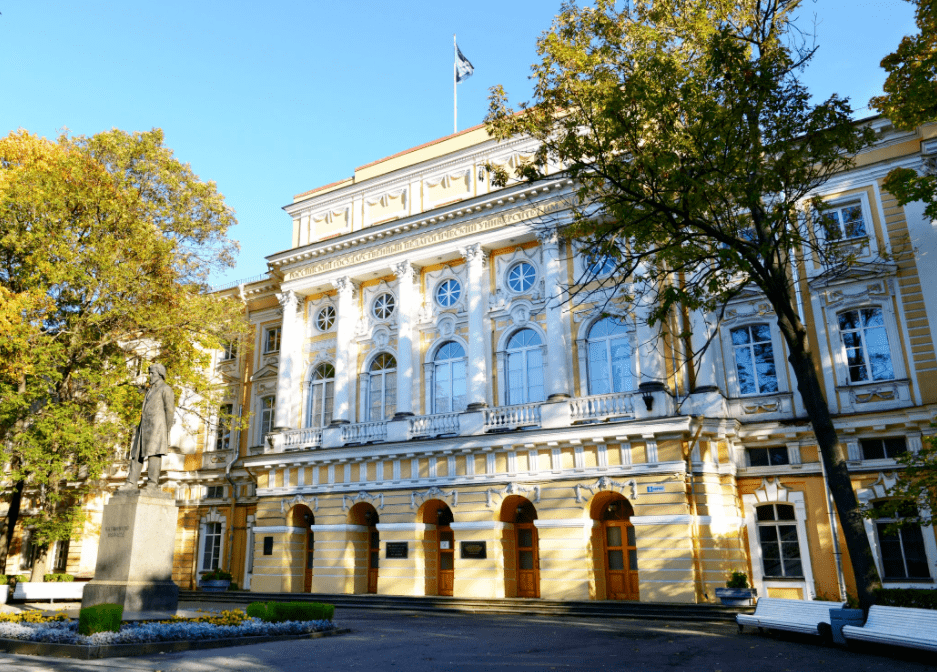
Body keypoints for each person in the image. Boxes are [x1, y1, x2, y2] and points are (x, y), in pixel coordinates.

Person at [120, 363, 175, 491]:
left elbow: (170, 411)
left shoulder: (166, 389)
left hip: (157, 427)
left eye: (152, 373)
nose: (149, 376)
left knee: (154, 454)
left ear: (160, 374)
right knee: (136, 454)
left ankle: (152, 484)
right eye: (149, 373)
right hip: (144, 426)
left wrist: (166, 431)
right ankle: (131, 482)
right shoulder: (150, 390)